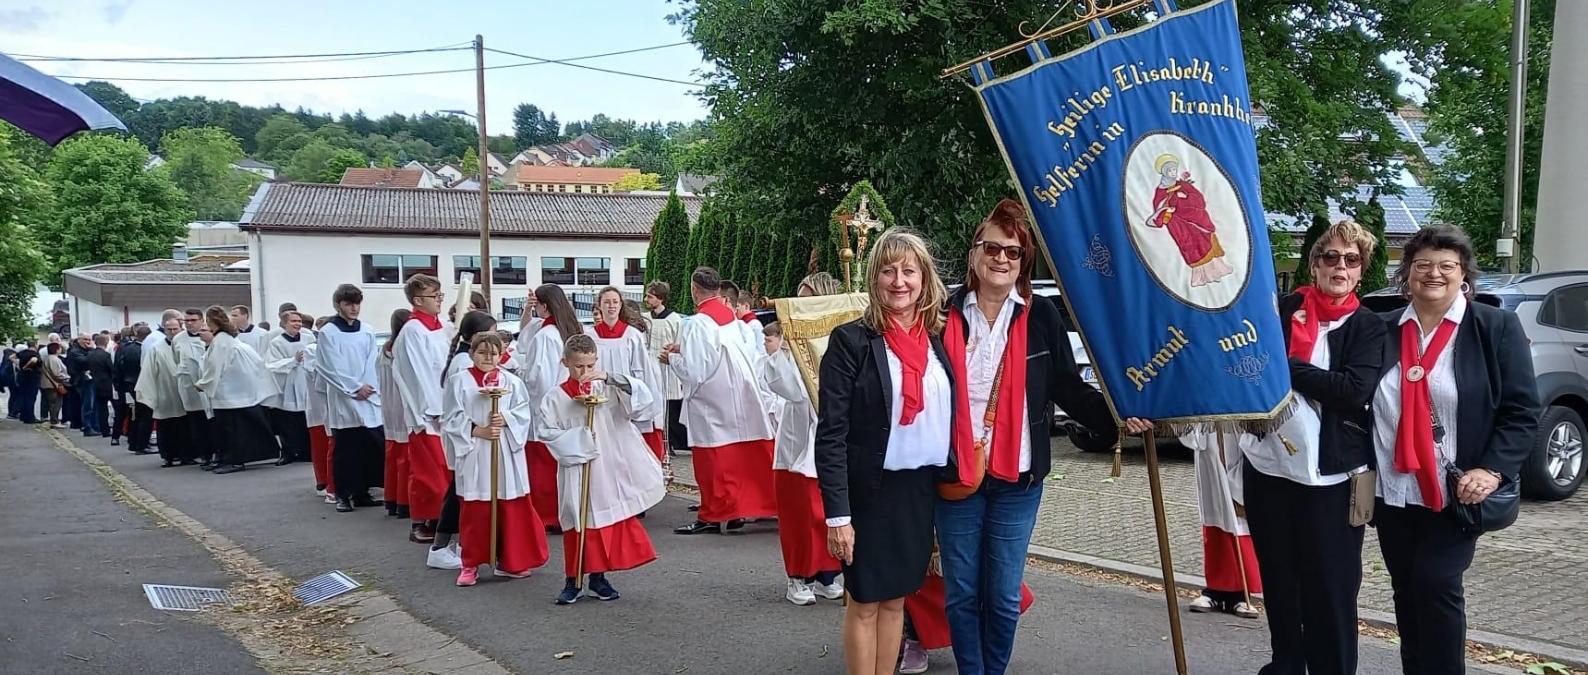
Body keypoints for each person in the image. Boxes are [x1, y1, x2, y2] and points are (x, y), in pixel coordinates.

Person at [935, 199, 1139, 675]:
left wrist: (1121, 415)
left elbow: (1067, 384)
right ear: (973, 254)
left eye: (1013, 252)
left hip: (1019, 477)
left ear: (1024, 261)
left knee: (1003, 596)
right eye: (992, 248)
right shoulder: (941, 313)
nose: (1001, 259)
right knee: (963, 591)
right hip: (955, 471)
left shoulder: (1041, 315)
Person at [1371, 225, 1540, 674]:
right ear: (1406, 273)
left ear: (1463, 273)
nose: (1434, 274)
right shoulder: (1383, 328)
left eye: (1446, 265)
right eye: (1422, 264)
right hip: (1394, 490)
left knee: (1436, 582)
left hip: (1457, 490)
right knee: (1406, 590)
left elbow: (1523, 411)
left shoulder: (1493, 326)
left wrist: (1492, 470)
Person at [1239, 219, 1385, 675]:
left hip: (1333, 477)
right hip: (1268, 467)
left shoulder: (1369, 327)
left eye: (1351, 259)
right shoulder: (1280, 311)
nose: (1339, 266)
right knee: (1280, 579)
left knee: (1332, 586)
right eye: (1330, 257)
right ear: (1314, 264)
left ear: (1361, 271)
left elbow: (1351, 390)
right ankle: (1287, 663)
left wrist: (1288, 369)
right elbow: (1248, 363)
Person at [815, 230, 954, 675]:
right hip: (869, 493)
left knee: (897, 599)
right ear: (874, 279)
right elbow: (832, 433)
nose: (899, 281)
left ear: (924, 279)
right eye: (888, 271)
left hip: (918, 492)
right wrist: (838, 516)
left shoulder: (938, 341)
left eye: (909, 271)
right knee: (866, 601)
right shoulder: (851, 341)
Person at [538, 333, 666, 604]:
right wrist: (580, 440)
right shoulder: (555, 398)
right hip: (577, 468)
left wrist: (609, 378)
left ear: (596, 361)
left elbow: (641, 400)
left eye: (589, 366)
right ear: (565, 363)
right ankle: (573, 580)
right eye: (577, 367)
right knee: (578, 518)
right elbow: (547, 433)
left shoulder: (607, 389)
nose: (584, 373)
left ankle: (598, 578)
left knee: (604, 521)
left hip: (607, 467)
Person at [666, 267, 778, 535]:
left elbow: (696, 370)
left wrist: (671, 359)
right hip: (739, 394)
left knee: (713, 460)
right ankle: (736, 510)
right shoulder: (732, 320)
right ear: (718, 290)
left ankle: (713, 514)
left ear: (695, 289)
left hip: (711, 400)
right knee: (739, 457)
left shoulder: (700, 323)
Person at [764, 273, 847, 607]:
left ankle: (827, 574)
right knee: (800, 514)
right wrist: (786, 344)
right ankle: (798, 576)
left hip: (834, 441)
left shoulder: (839, 339)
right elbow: (788, 389)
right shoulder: (794, 344)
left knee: (830, 514)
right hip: (799, 444)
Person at [442, 331, 550, 587]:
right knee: (476, 508)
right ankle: (470, 563)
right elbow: (450, 417)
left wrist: (507, 419)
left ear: (501, 355)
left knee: (509, 504)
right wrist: (476, 430)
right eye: (482, 353)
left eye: (493, 353)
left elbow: (523, 412)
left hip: (504, 450)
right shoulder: (459, 382)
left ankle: (510, 560)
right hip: (476, 451)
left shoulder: (511, 382)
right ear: (472, 354)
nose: (487, 358)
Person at [428, 310, 508, 571]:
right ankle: (442, 546)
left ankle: (457, 545)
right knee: (460, 494)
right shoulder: (465, 366)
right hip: (470, 439)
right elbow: (458, 408)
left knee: (461, 492)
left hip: (474, 438)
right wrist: (477, 429)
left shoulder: (465, 360)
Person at [392, 274, 454, 544]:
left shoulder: (439, 327)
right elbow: (419, 374)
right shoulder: (413, 330)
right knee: (429, 471)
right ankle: (423, 521)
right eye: (435, 296)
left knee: (444, 468)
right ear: (418, 301)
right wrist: (435, 407)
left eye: (441, 295)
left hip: (445, 407)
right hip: (427, 413)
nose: (440, 300)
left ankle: (442, 519)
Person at [519, 284, 585, 533]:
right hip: (563, 403)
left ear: (545, 306)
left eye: (537, 305)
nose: (534, 309)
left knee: (542, 465)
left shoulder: (546, 336)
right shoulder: (564, 329)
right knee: (558, 462)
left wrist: (519, 374)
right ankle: (563, 511)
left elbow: (538, 377)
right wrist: (527, 309)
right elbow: (524, 333)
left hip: (544, 405)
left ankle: (547, 515)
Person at [315, 284, 385, 513]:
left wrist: (368, 386)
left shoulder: (366, 330)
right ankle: (343, 495)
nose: (354, 308)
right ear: (338, 305)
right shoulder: (328, 332)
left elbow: (372, 361)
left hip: (368, 396)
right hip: (344, 398)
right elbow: (329, 366)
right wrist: (354, 388)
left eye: (357, 303)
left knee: (368, 447)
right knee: (346, 450)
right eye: (349, 304)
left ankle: (362, 492)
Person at [195, 305, 280, 474]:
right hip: (234, 390)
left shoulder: (222, 341)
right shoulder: (225, 339)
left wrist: (203, 383)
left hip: (231, 392)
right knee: (226, 429)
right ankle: (226, 458)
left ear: (214, 322)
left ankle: (234, 460)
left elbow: (214, 366)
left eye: (207, 322)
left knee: (232, 430)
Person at [591, 287, 666, 461]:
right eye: (607, 302)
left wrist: (646, 405)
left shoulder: (632, 335)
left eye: (615, 302)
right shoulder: (591, 336)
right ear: (599, 306)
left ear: (620, 305)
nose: (611, 306)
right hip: (601, 397)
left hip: (628, 399)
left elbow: (643, 371)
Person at [138, 316, 192, 467]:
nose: (173, 332)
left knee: (184, 427)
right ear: (164, 330)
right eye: (170, 329)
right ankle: (168, 456)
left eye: (176, 329)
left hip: (184, 394)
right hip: (165, 393)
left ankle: (186, 455)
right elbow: (148, 372)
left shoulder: (187, 345)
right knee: (166, 427)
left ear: (181, 329)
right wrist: (149, 394)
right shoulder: (156, 348)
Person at [265, 311, 316, 466]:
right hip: (289, 382)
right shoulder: (276, 342)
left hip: (307, 381)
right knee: (287, 421)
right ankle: (288, 452)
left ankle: (307, 451)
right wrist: (292, 360)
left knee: (306, 419)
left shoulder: (308, 337)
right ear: (284, 323)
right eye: (293, 321)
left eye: (299, 321)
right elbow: (272, 364)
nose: (297, 324)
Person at [643, 281, 687, 457]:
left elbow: (680, 343)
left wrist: (673, 356)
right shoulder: (645, 318)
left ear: (660, 298)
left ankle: (671, 442)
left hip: (667, 366)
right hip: (651, 365)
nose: (647, 299)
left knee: (669, 405)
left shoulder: (674, 319)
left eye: (650, 296)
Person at [378, 308, 414, 519]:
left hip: (388, 405)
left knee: (393, 455)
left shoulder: (384, 350)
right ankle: (404, 501)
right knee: (405, 457)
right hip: (403, 404)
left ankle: (391, 499)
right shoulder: (405, 348)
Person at [175, 308, 217, 467]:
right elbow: (176, 359)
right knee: (196, 422)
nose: (189, 324)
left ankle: (215, 452)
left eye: (193, 320)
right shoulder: (178, 339)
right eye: (187, 321)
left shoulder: (210, 335)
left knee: (211, 421)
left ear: (202, 321)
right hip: (189, 385)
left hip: (208, 384)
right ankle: (203, 454)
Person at [305, 315, 337, 500]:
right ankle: (323, 482)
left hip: (332, 408)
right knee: (322, 446)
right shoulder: (311, 350)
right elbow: (316, 374)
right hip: (318, 407)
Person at [112, 327, 144, 450]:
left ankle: (117, 437)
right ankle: (132, 439)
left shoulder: (121, 348)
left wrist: (117, 385)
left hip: (124, 385)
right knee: (134, 414)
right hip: (132, 384)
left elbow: (116, 368)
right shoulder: (136, 348)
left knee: (123, 413)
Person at [86, 333, 114, 439]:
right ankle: (116, 429)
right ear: (106, 342)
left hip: (95, 384)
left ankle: (103, 429)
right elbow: (112, 370)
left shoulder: (90, 354)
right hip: (108, 385)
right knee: (116, 407)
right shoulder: (106, 355)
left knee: (101, 409)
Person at [67, 334, 96, 435]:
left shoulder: (84, 351)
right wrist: (92, 350)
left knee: (90, 404)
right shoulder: (75, 352)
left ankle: (91, 425)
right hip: (82, 381)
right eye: (85, 339)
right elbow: (85, 361)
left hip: (89, 380)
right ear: (78, 340)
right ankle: (86, 427)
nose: (87, 342)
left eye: (89, 340)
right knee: (87, 405)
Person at [40, 342, 69, 428]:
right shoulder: (54, 359)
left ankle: (53, 420)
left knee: (52, 403)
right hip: (53, 384)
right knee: (56, 403)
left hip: (48, 384)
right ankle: (54, 421)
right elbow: (56, 373)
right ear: (56, 349)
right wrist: (66, 377)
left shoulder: (48, 358)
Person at [12, 344, 40, 424]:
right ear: (35, 346)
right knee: (30, 398)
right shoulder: (34, 353)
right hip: (32, 377)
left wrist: (19, 365)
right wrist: (26, 366)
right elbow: (34, 360)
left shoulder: (22, 352)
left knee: (23, 396)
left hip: (22, 377)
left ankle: (23, 416)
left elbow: (11, 357)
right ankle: (29, 418)